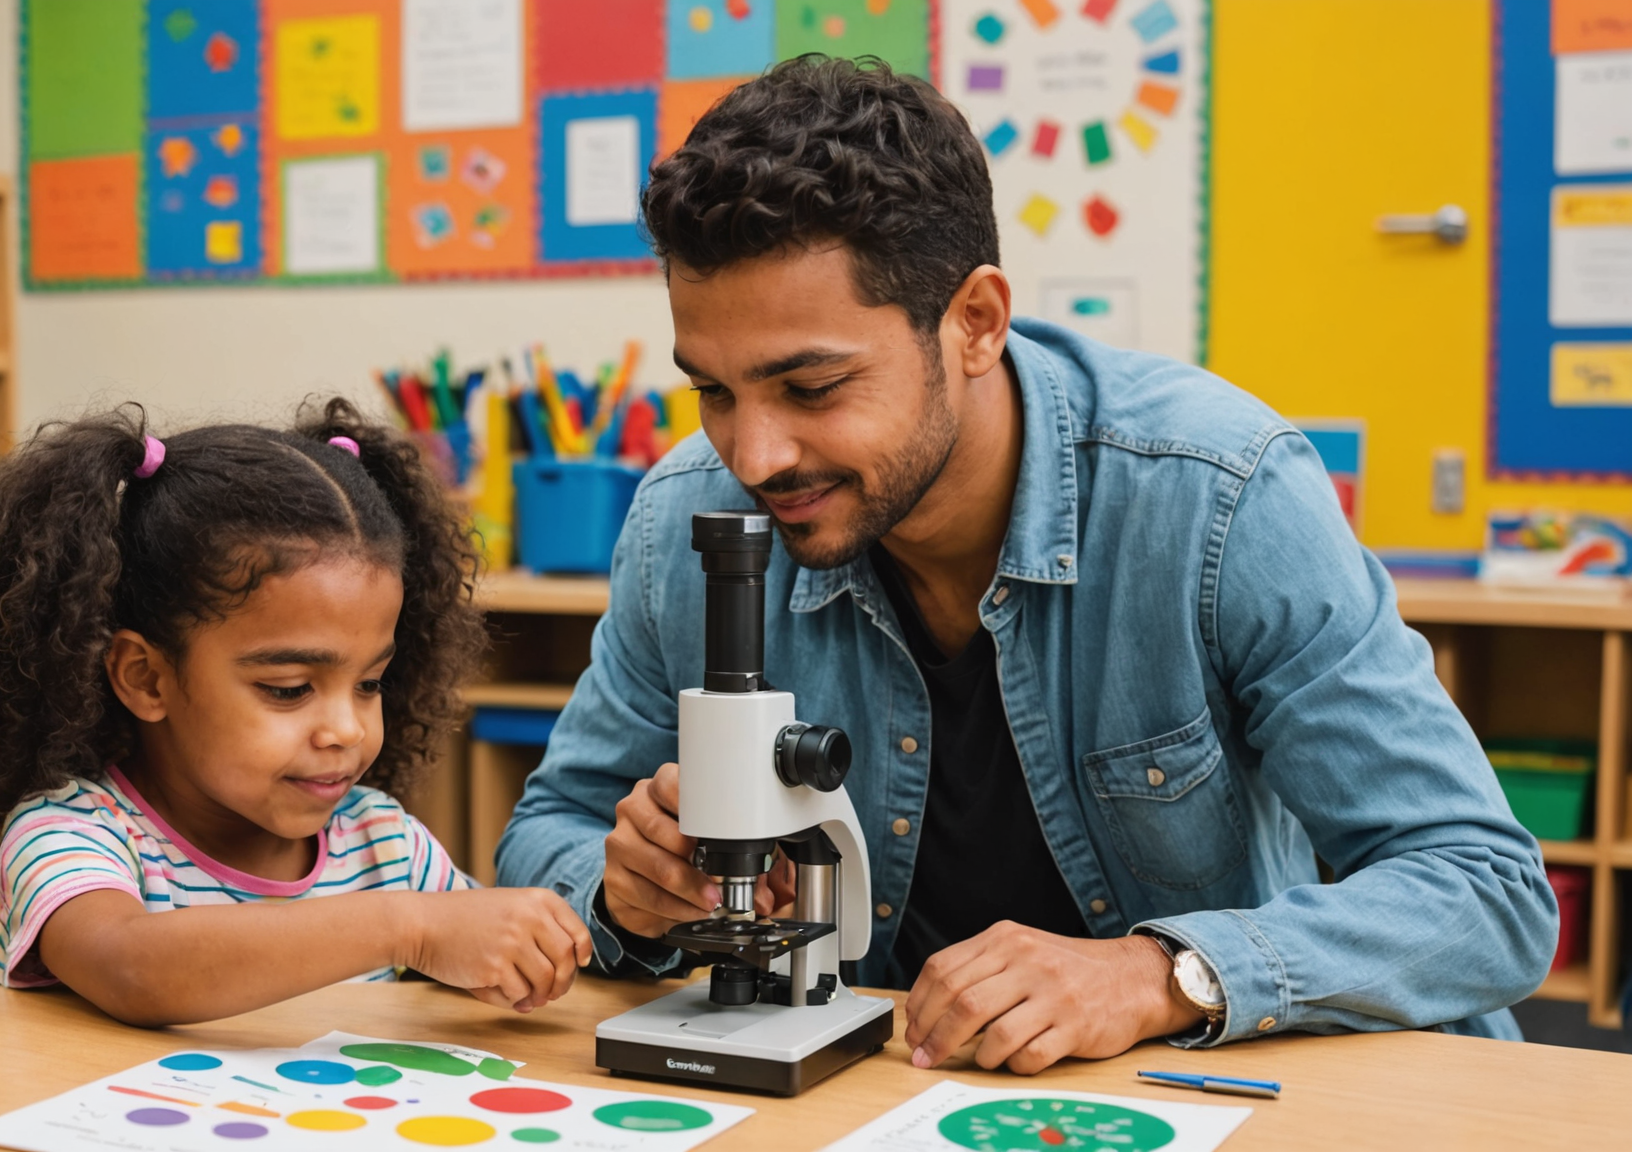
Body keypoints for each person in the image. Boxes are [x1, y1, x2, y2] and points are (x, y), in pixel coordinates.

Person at [496, 56, 1556, 1074]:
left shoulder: (1219, 496)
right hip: (892, 1091)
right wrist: (620, 890)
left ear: (974, 322)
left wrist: (1159, 975)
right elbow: (545, 834)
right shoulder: (690, 518)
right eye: (713, 392)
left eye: (811, 387)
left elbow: (1486, 894)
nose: (756, 455)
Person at [0, 400, 591, 1026]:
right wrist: (407, 926)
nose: (347, 730)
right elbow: (136, 966)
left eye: (371, 683)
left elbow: (474, 968)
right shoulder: (73, 835)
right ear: (147, 678)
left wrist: (526, 954)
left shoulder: (383, 845)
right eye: (289, 689)